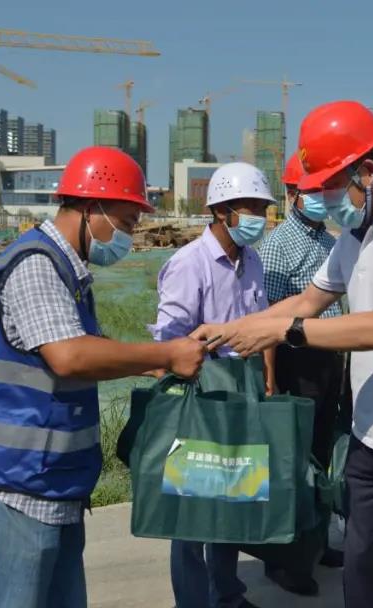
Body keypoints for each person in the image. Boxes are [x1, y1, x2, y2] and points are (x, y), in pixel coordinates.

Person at [190, 100, 373, 608]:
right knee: (360, 579)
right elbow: (307, 300)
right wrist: (233, 329)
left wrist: (286, 334)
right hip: (372, 438)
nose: (326, 201)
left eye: (330, 188)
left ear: (368, 171)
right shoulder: (355, 236)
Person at [0, 146, 205, 608]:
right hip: (9, 487)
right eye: (124, 222)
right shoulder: (36, 265)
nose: (127, 236)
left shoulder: (69, 272)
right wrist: (167, 351)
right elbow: (68, 356)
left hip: (48, 486)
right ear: (90, 208)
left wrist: (150, 362)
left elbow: (79, 352)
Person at [148, 161, 276, 608]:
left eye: (263, 206)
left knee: (233, 498)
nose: (259, 215)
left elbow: (263, 326)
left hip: (242, 391)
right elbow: (168, 340)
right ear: (222, 211)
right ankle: (193, 600)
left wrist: (267, 379)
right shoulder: (190, 264)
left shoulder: (253, 260)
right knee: (191, 508)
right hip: (199, 394)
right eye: (252, 206)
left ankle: (227, 593)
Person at [255, 154, 344, 596]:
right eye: (311, 192)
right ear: (292, 194)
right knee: (292, 460)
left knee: (321, 453)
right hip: (296, 360)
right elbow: (267, 320)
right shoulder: (276, 245)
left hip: (329, 360)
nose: (320, 200)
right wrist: (270, 377)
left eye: (323, 192)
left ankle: (317, 539)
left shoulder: (330, 241)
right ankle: (285, 560)